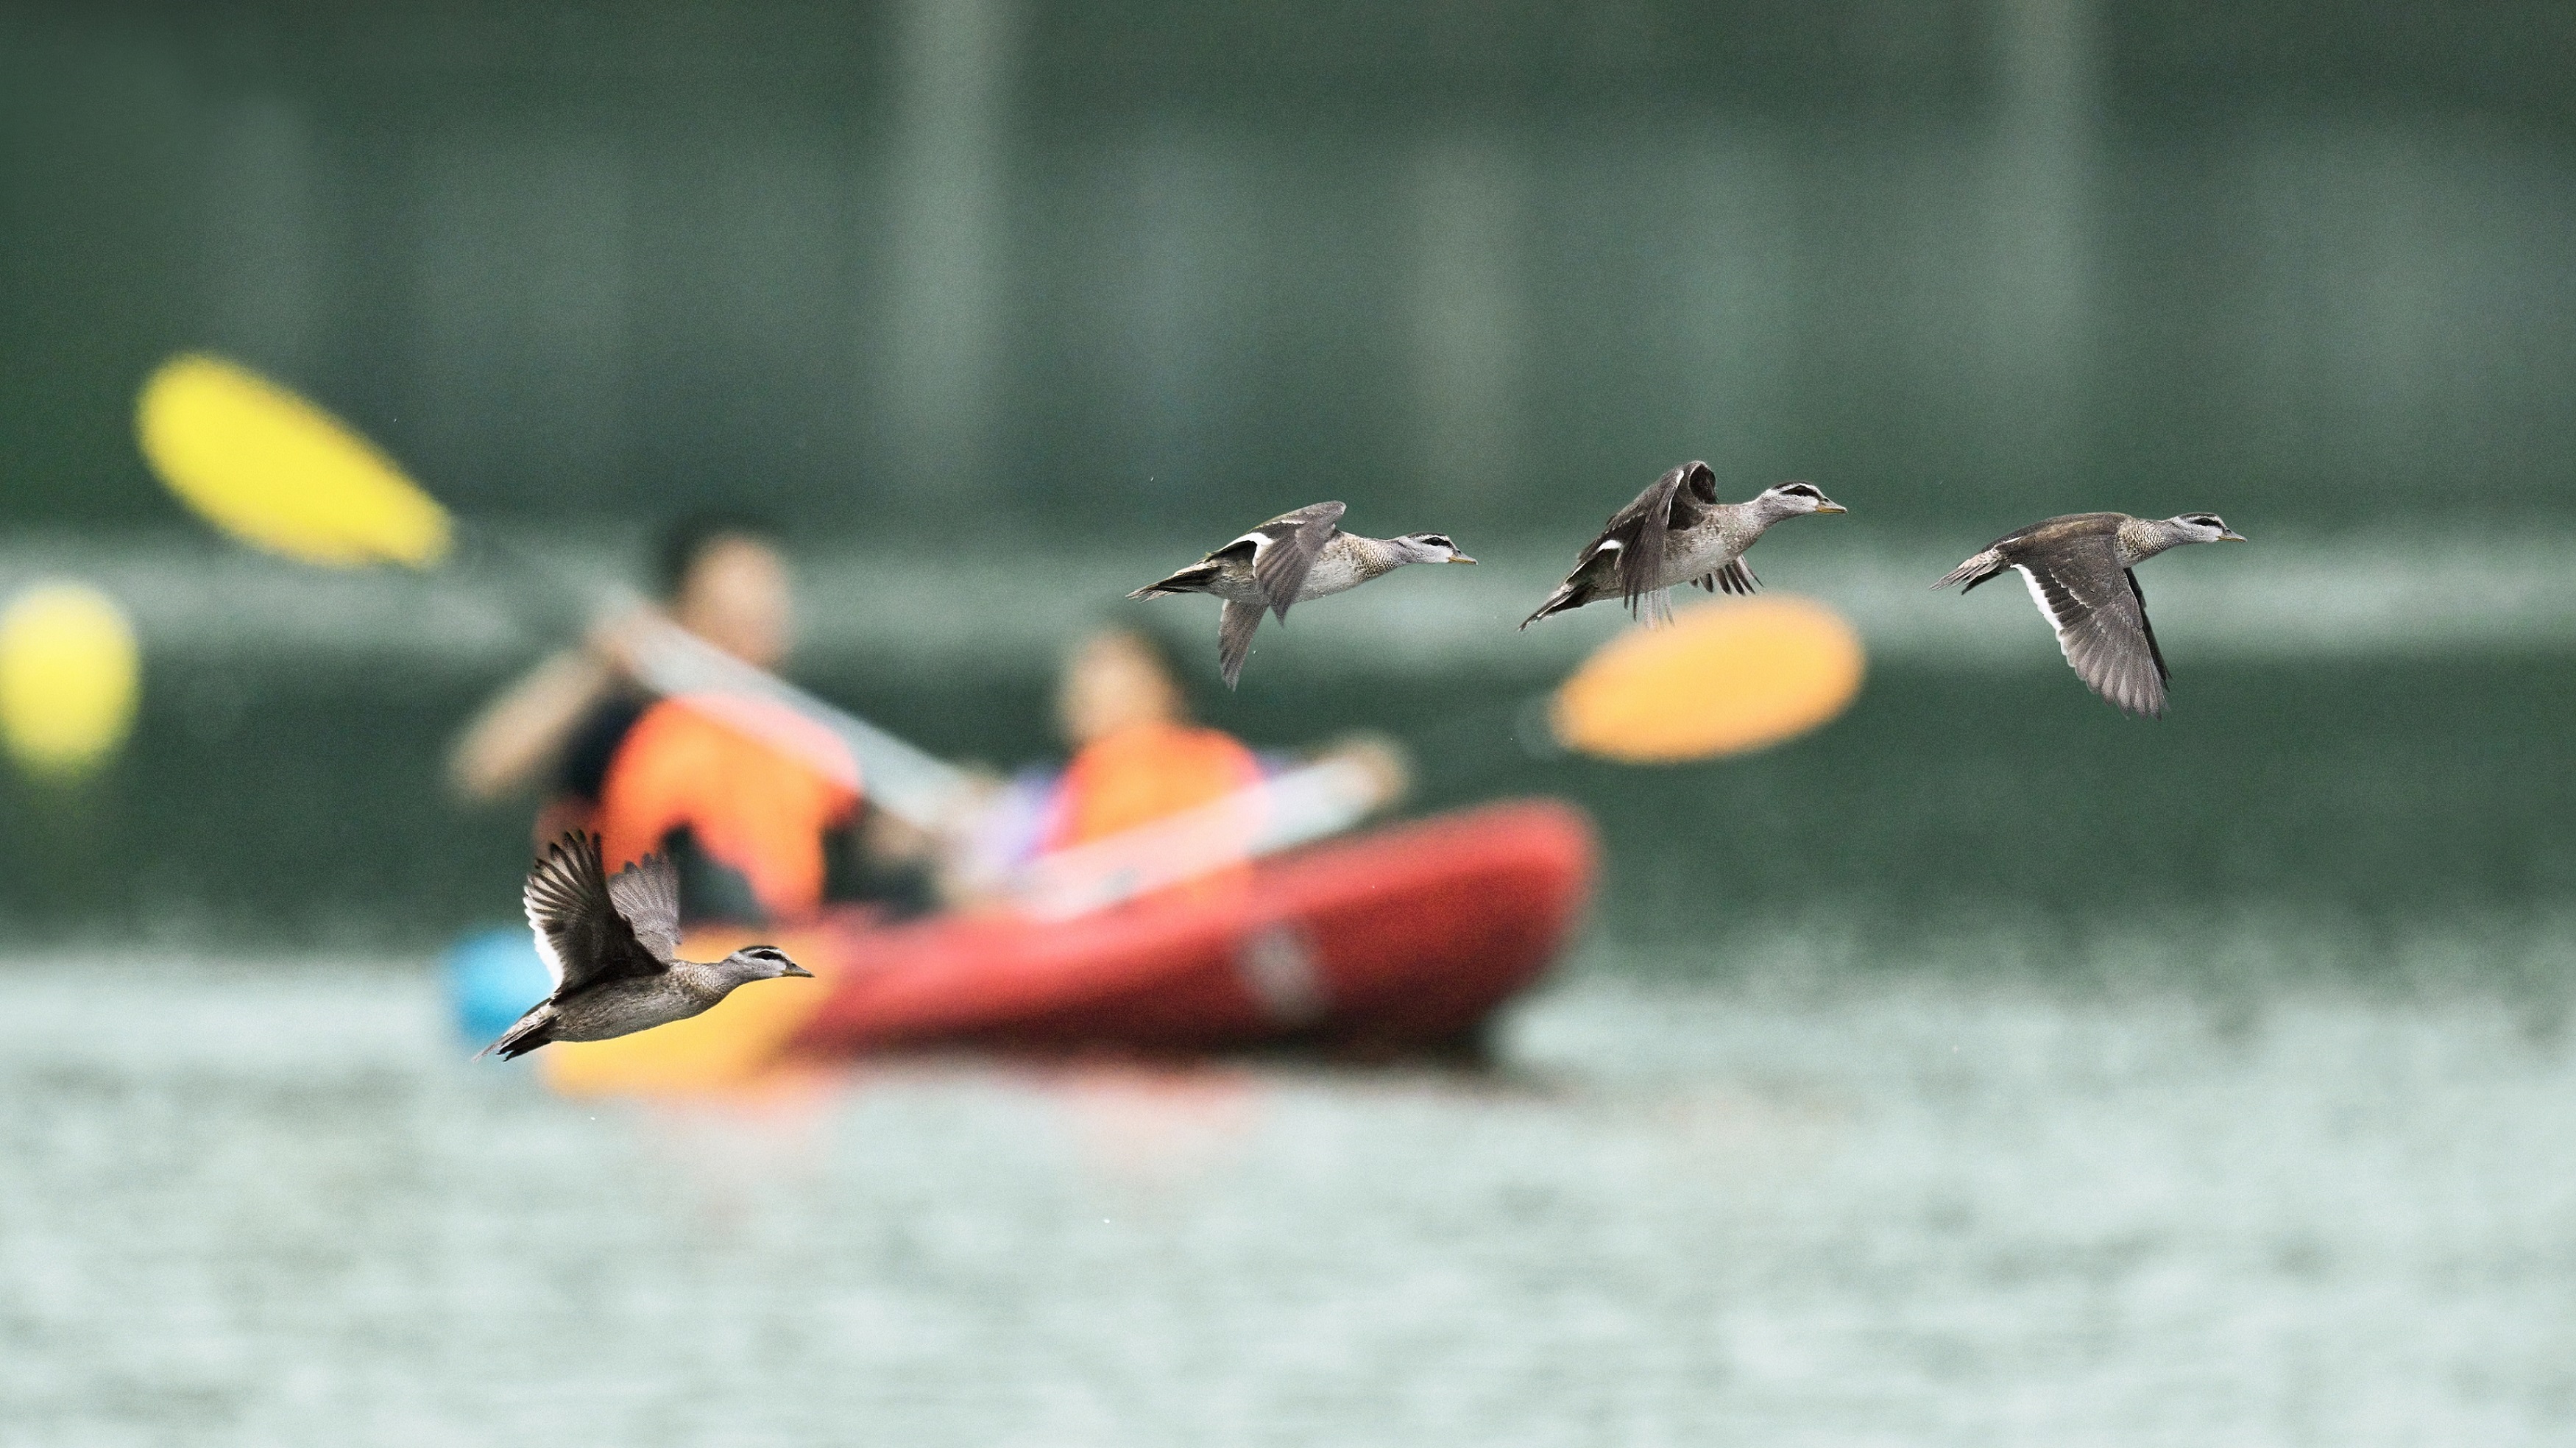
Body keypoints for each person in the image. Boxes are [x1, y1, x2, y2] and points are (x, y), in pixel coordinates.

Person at [447, 516, 933, 924]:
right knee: (717, 879)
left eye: (766, 606)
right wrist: (592, 666)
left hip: (799, 942)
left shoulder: (820, 732)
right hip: (666, 941)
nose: (757, 626)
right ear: (680, 615)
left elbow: (877, 845)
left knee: (924, 879)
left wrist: (930, 828)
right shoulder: (625, 725)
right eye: (733, 611)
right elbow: (480, 773)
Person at [952, 625, 1409, 902]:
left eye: (1115, 677)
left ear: (1170, 693)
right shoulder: (1047, 796)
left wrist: (1364, 769)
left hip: (1210, 931)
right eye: (1084, 678)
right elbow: (975, 885)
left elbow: (1366, 773)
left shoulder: (1227, 768)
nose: (1089, 693)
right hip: (1096, 949)